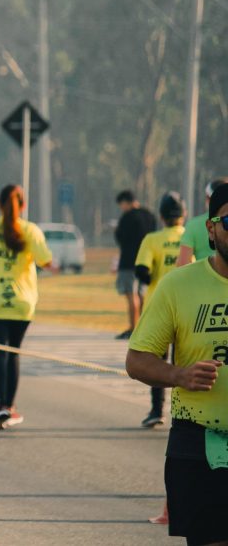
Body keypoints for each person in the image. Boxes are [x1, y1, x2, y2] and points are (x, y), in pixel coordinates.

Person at [126, 182, 228, 546]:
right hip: (198, 441)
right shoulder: (178, 285)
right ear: (211, 228)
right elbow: (137, 359)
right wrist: (179, 375)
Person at [0, 184, 55, 430]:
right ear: (23, 205)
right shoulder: (31, 230)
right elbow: (46, 261)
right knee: (13, 353)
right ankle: (9, 406)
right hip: (22, 303)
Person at [134, 191, 187, 429]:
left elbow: (141, 272)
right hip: (188, 304)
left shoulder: (152, 239)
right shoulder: (191, 236)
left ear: (162, 216)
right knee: (184, 359)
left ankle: (157, 410)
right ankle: (184, 410)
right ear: (183, 215)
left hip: (159, 305)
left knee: (156, 360)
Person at [114, 190, 157, 339]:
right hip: (146, 262)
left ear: (126, 202)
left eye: (122, 205)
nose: (122, 208)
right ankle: (143, 328)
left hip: (128, 262)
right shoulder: (150, 216)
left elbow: (120, 238)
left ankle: (133, 328)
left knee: (131, 295)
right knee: (142, 294)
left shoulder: (127, 217)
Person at [177, 178, 228, 266]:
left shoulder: (193, 225)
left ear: (208, 199)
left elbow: (183, 263)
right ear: (210, 227)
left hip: (203, 277)